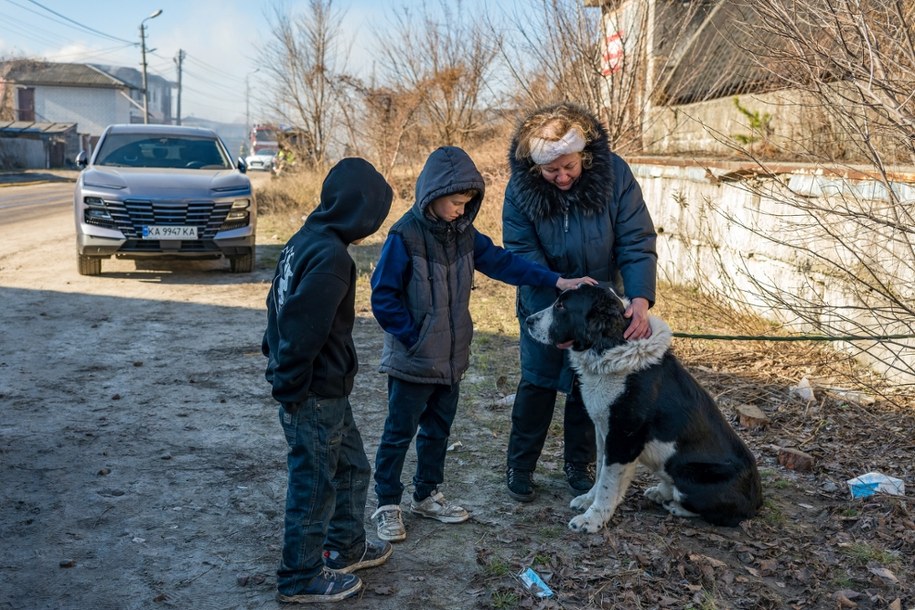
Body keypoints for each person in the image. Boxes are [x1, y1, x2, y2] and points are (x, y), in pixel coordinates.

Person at [369, 146, 596, 542]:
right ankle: (388, 504)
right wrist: (411, 336)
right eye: (456, 202)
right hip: (412, 360)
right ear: (433, 195)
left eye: (466, 203)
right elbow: (383, 296)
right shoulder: (403, 236)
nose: (460, 210)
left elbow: (507, 264)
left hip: (451, 361)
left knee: (438, 431)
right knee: (398, 433)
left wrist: (557, 282)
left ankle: (427, 495)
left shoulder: (465, 236)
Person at [502, 102, 658, 502]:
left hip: (600, 304)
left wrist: (639, 298)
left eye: (569, 166)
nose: (563, 176)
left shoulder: (614, 174)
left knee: (587, 382)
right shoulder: (520, 190)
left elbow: (636, 239)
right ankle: (520, 465)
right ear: (536, 167)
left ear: (583, 155)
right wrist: (559, 287)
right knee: (537, 381)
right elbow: (520, 250)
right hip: (545, 295)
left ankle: (579, 463)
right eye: (552, 171)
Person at [263, 158, 395, 604]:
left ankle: (345, 547)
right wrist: (288, 383)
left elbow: (274, 305)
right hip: (313, 394)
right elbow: (301, 328)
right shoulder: (332, 258)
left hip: (328, 391)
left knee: (353, 468)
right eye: (375, 215)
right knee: (315, 482)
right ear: (361, 211)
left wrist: (274, 354)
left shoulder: (305, 240)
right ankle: (299, 577)